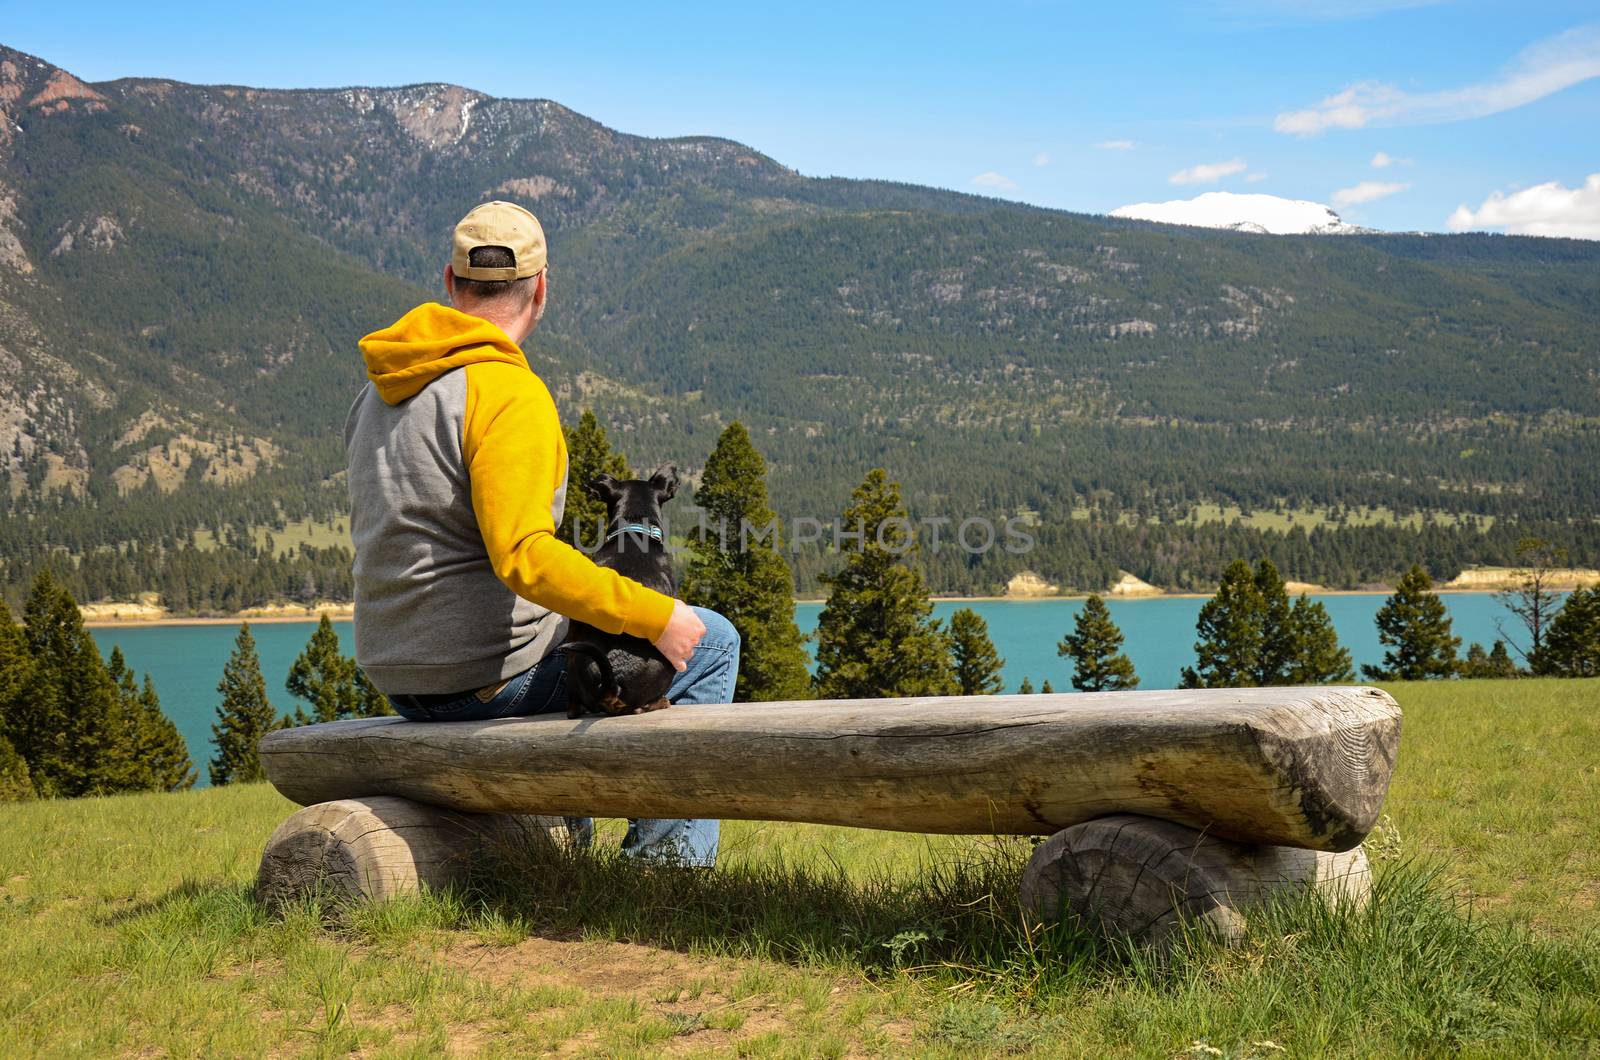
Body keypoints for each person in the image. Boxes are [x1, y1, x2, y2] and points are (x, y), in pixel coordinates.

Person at [344, 200, 739, 865]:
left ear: (450, 282)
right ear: (542, 289)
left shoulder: (379, 393)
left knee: (578, 643)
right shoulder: (505, 393)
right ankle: (665, 869)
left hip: (400, 675)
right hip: (480, 676)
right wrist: (657, 614)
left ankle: (564, 839)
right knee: (713, 639)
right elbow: (524, 556)